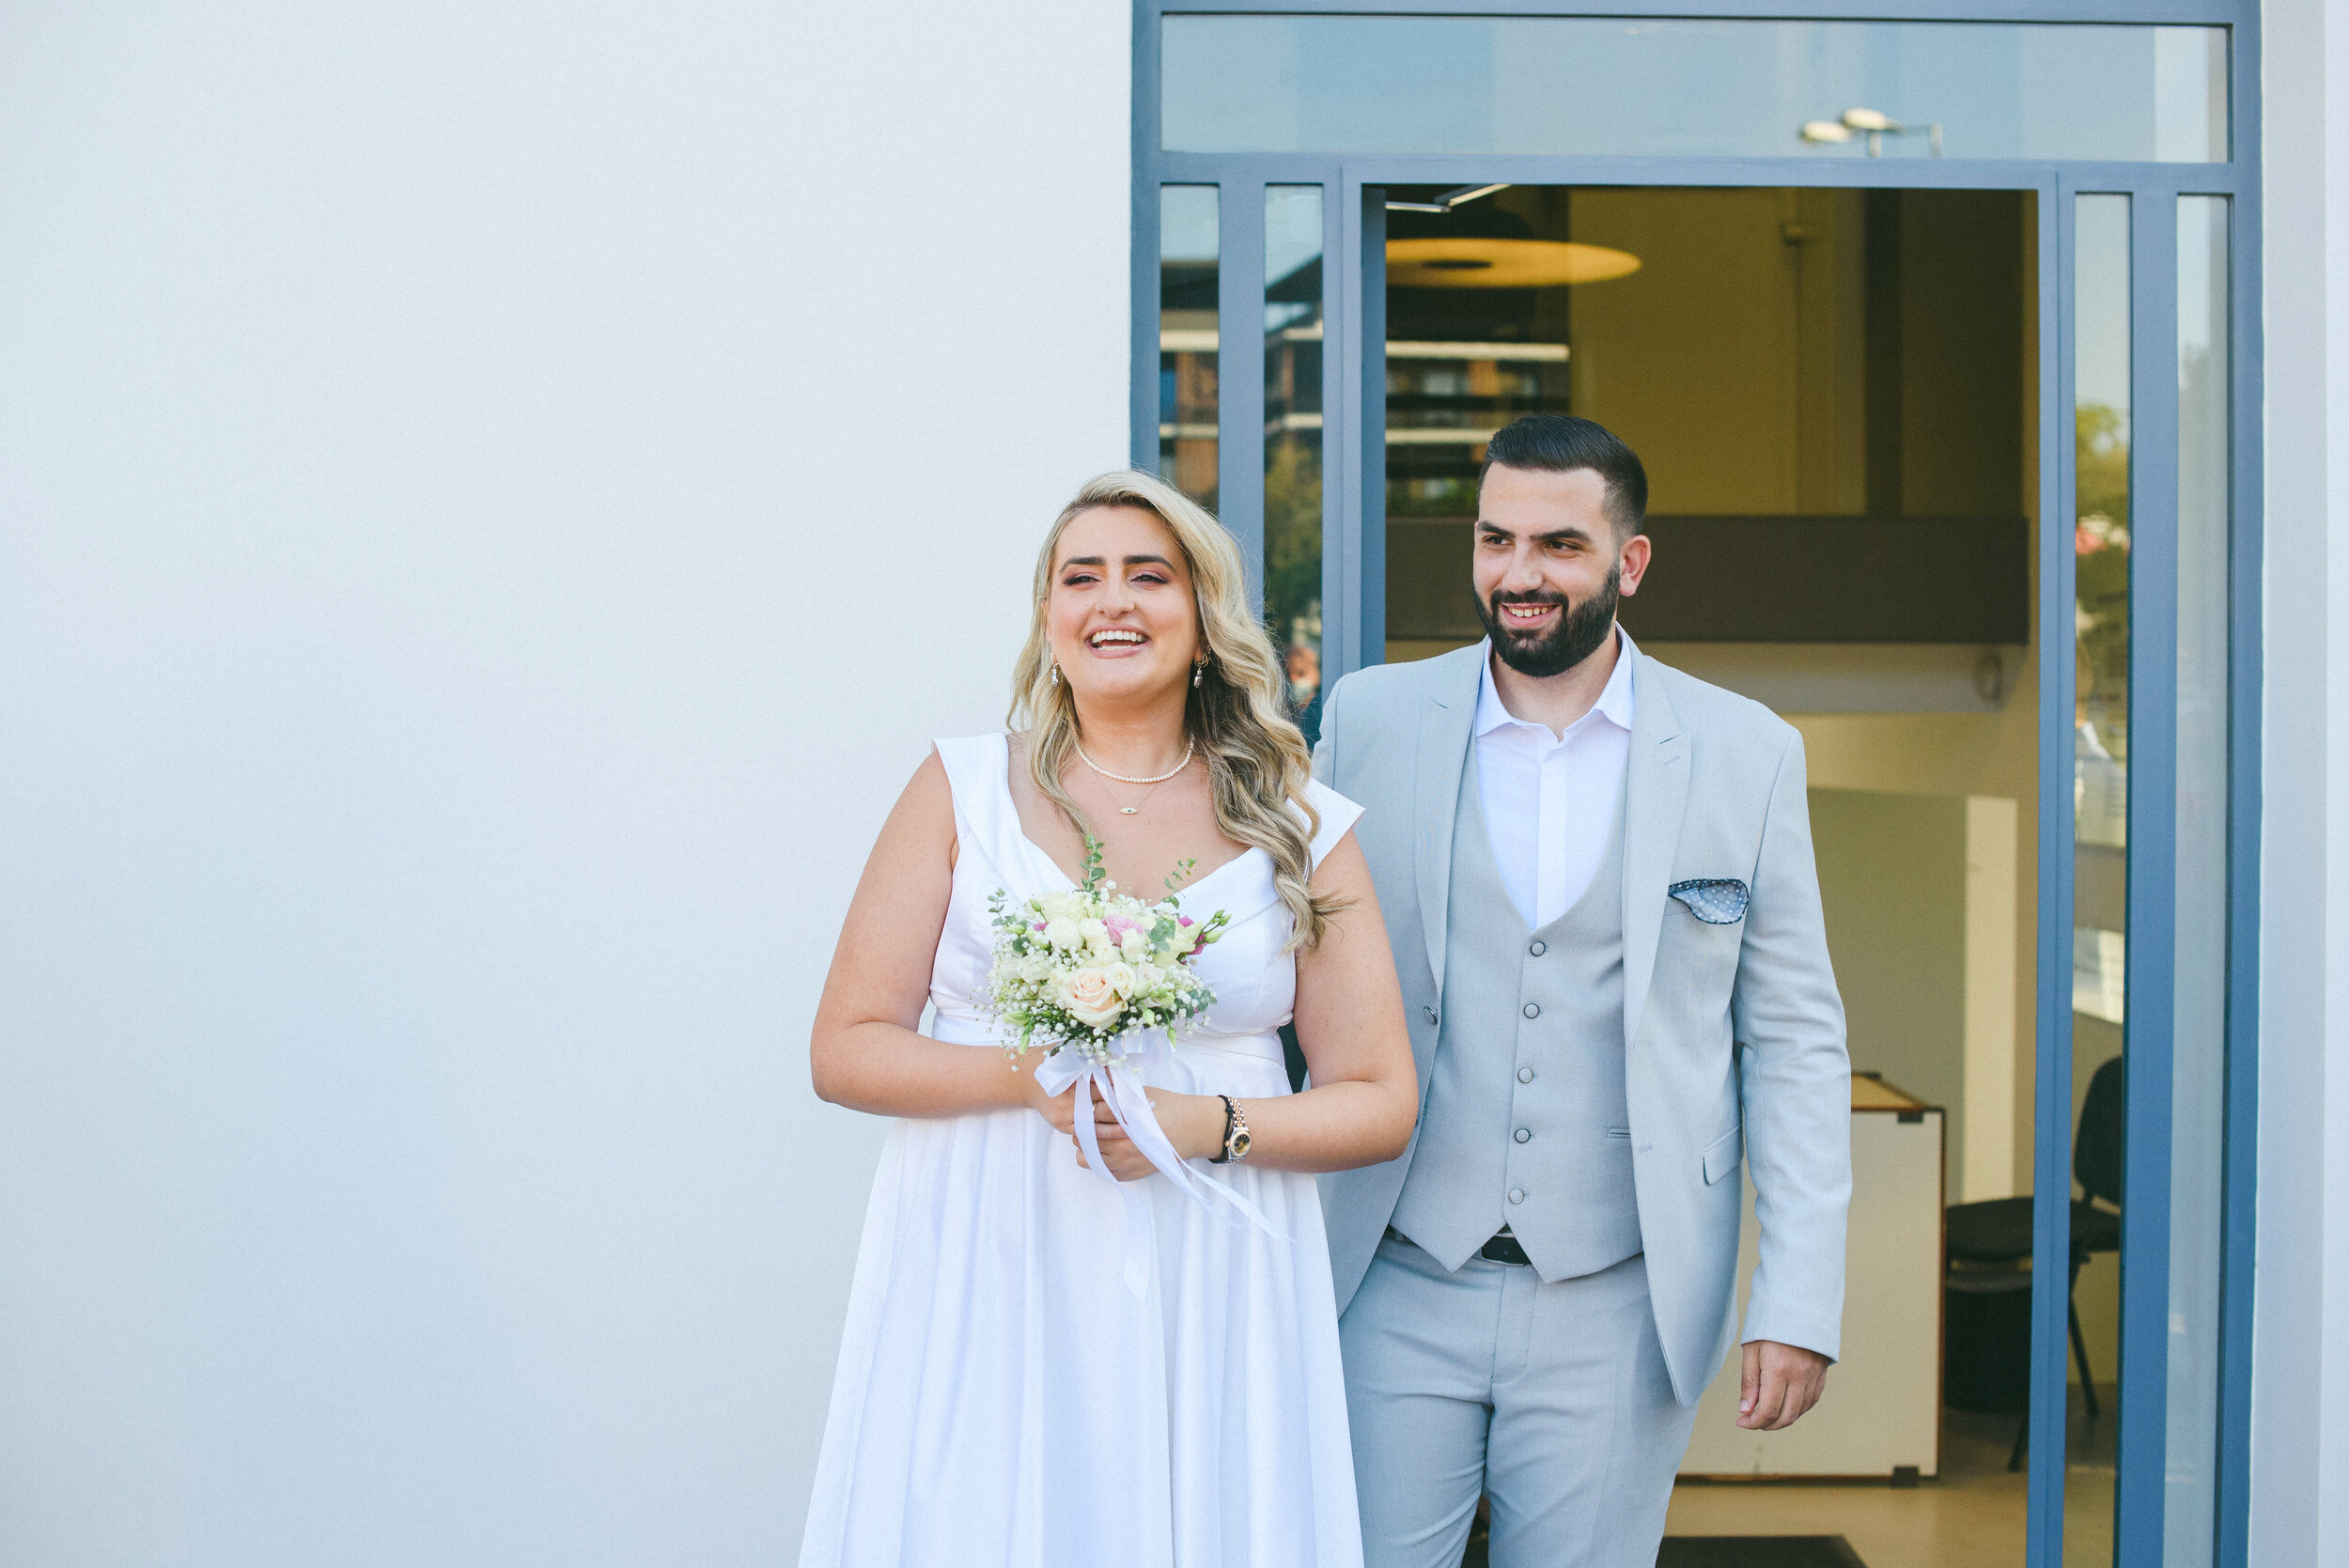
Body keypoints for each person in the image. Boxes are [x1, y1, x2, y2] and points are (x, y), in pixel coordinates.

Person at [801, 470, 1417, 1568]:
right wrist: (1024, 1075)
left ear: (1204, 617)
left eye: (1149, 576)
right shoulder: (960, 789)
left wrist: (1206, 1125)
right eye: (1080, 577)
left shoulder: (1298, 824)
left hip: (1212, 1254)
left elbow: (1380, 1098)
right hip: (990, 1240)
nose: (1112, 601)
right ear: (1047, 617)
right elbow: (844, 1048)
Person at [1315, 414, 1851, 1568]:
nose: (1519, 574)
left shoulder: (1745, 750)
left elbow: (1793, 1042)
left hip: (1620, 1295)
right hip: (1390, 1273)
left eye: (1559, 545)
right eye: (1495, 540)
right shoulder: (1366, 719)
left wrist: (1797, 1296)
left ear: (1629, 561)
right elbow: (1290, 968)